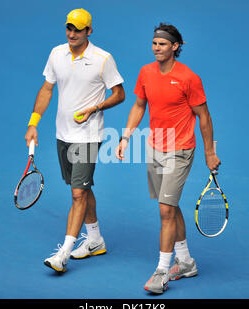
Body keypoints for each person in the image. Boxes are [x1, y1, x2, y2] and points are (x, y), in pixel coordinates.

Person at [116, 23, 220, 294]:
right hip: (154, 148)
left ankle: (162, 270)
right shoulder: (145, 73)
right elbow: (139, 105)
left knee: (165, 210)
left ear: (175, 47)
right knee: (169, 207)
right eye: (154, 43)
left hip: (181, 149)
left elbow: (204, 117)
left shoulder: (189, 78)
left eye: (162, 44)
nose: (156, 48)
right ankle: (186, 262)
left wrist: (210, 153)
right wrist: (125, 137)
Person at [25, 8, 125, 273]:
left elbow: (120, 94)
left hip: (88, 136)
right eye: (68, 28)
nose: (71, 34)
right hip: (63, 134)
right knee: (83, 187)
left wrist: (96, 108)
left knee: (78, 193)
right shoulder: (57, 54)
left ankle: (63, 254)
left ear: (88, 31)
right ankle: (95, 239)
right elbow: (47, 88)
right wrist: (33, 123)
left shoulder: (103, 59)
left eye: (77, 30)